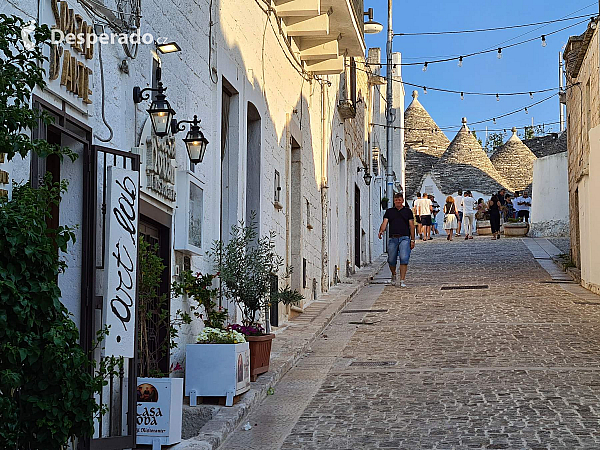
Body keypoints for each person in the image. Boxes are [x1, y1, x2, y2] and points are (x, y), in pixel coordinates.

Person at [378, 193, 416, 287]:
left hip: (405, 238)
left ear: (402, 200)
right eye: (396, 200)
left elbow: (411, 225)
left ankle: (402, 280)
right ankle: (394, 274)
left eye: (399, 200)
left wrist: (413, 239)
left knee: (404, 258)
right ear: (394, 201)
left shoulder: (408, 211)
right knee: (391, 260)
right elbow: (385, 222)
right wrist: (381, 231)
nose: (398, 201)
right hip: (393, 238)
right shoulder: (389, 212)